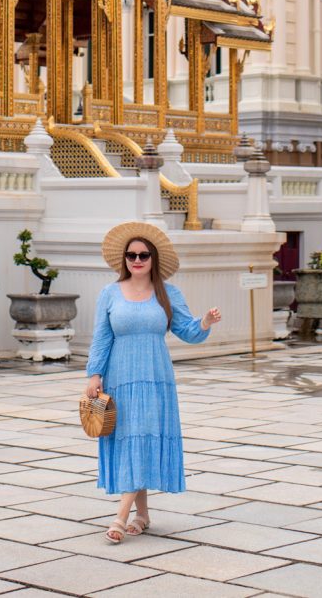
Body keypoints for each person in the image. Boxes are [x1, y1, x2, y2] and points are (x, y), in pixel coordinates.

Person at [85, 221, 221, 543]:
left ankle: (121, 518)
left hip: (155, 380)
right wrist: (94, 375)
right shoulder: (109, 293)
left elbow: (188, 330)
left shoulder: (168, 293)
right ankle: (142, 514)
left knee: (141, 438)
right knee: (132, 439)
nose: (137, 260)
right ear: (125, 259)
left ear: (153, 258)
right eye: (131, 255)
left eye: (144, 255)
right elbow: (101, 339)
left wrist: (204, 321)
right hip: (120, 378)